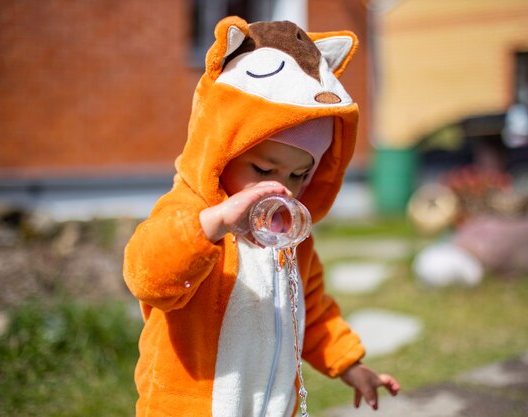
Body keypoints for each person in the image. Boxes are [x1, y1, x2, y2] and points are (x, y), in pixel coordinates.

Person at [123, 16, 399, 416]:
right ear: (222, 152)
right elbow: (150, 276)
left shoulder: (291, 236)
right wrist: (214, 224)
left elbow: (312, 310)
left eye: (299, 175)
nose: (282, 187)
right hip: (194, 405)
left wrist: (349, 364)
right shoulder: (190, 214)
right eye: (264, 170)